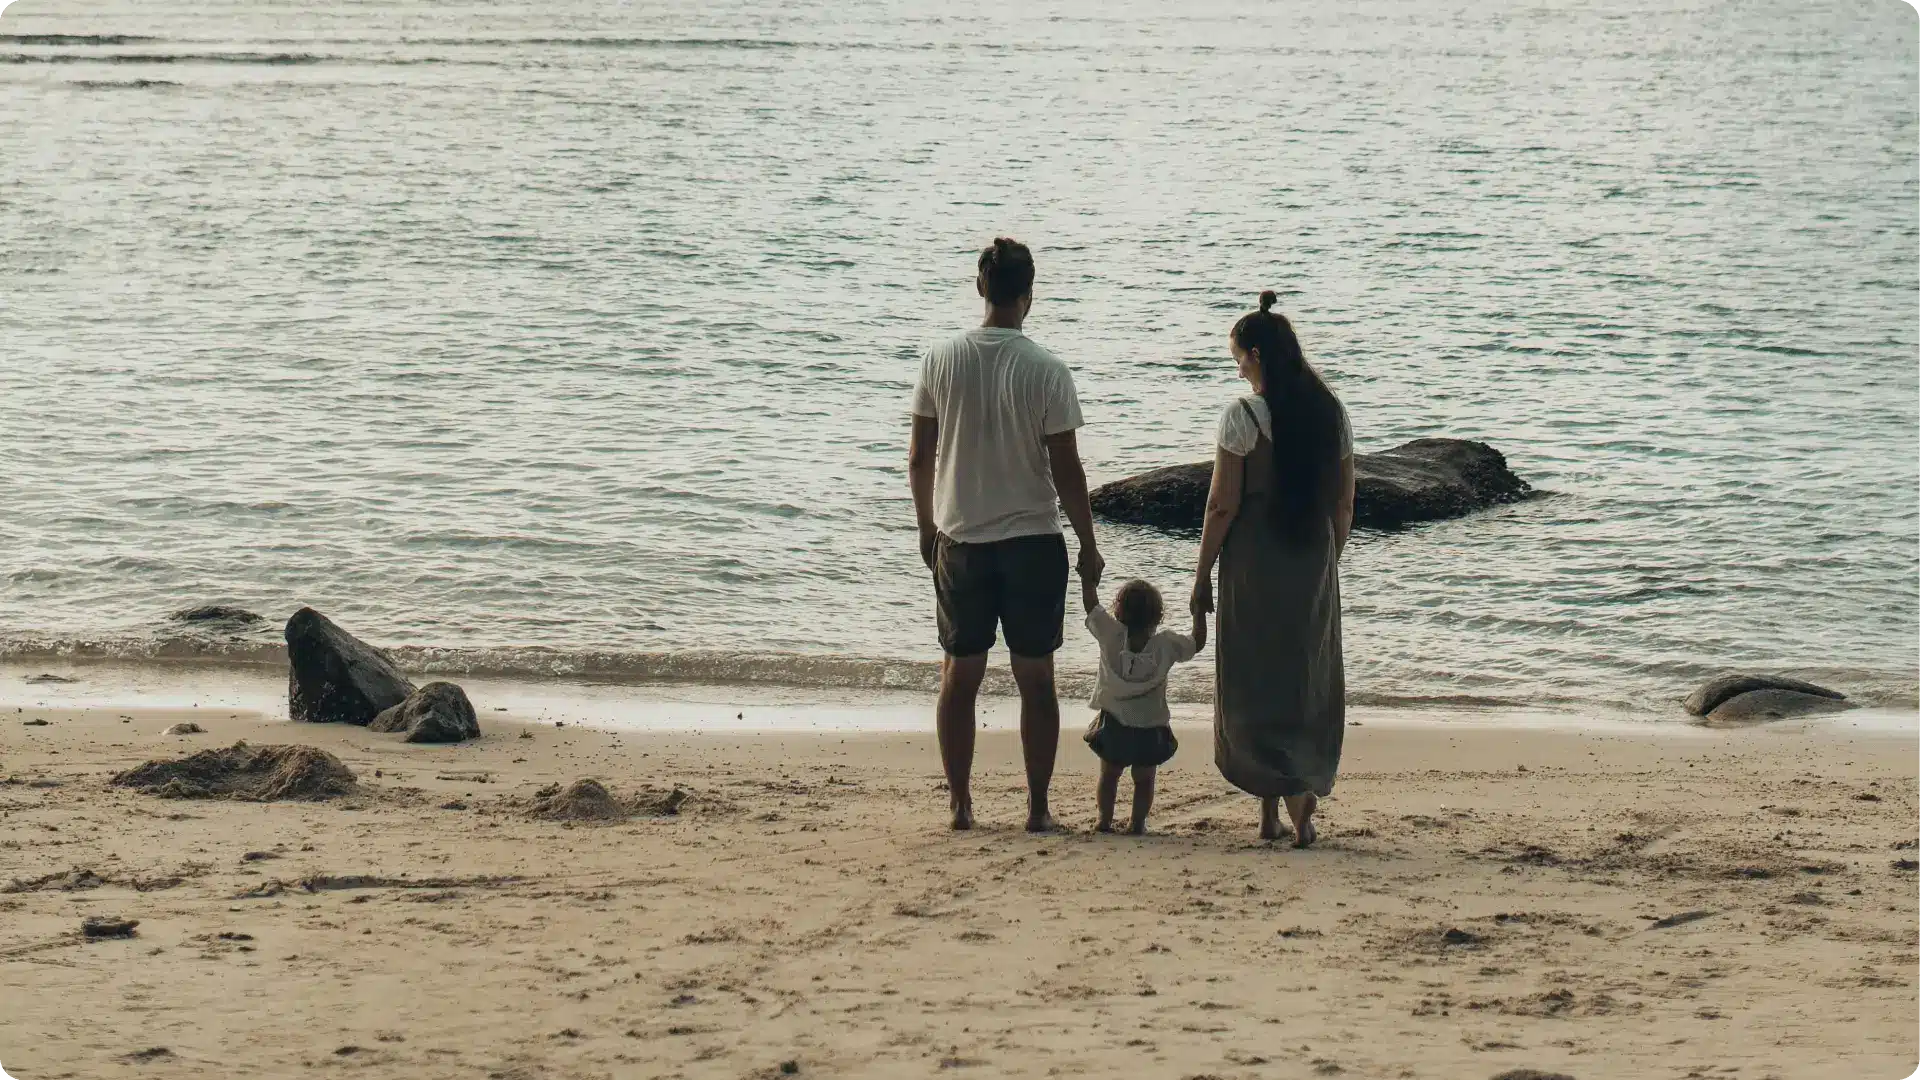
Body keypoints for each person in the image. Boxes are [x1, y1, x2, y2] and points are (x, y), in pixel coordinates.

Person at [908, 237, 1104, 832]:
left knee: (959, 674)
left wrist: (926, 526)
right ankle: (1038, 808)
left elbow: (920, 455)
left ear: (980, 288)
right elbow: (1067, 469)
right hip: (1032, 542)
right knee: (1036, 678)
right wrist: (1089, 544)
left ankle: (961, 805)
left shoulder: (941, 359)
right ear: (1028, 296)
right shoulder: (1046, 368)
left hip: (961, 537)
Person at [1190, 291, 1355, 847]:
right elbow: (1344, 504)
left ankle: (1267, 814)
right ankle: (1300, 807)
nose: (1236, 367)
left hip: (1253, 563)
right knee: (1304, 678)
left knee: (1256, 679)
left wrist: (1200, 574)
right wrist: (1329, 558)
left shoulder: (1242, 418)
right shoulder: (1331, 413)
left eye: (1238, 357)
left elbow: (1222, 505)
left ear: (1257, 353)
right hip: (1311, 555)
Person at [1080, 576, 1203, 834]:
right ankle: (1137, 823)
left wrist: (1088, 577)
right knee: (1145, 780)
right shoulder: (1166, 644)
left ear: (1119, 611)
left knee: (1110, 775)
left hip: (1114, 724)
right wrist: (1198, 610)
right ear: (1158, 616)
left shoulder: (1110, 634)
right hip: (1151, 726)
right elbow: (1197, 643)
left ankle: (1104, 819)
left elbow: (1091, 606)